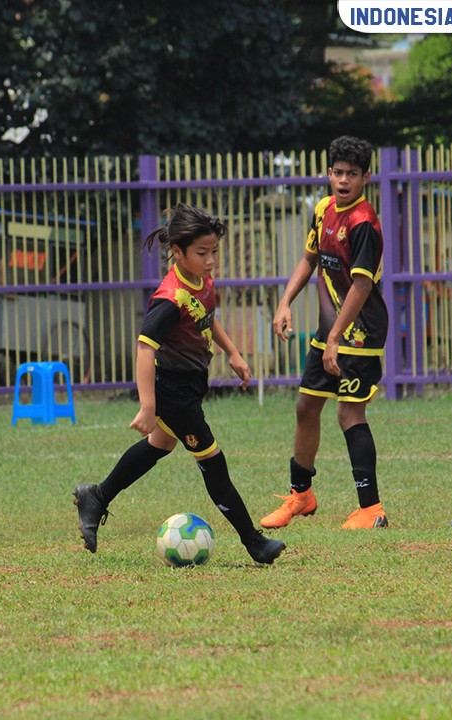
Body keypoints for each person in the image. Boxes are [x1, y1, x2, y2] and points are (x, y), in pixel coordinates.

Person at [72, 204, 286, 565]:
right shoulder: (170, 298)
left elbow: (208, 318)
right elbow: (144, 347)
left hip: (191, 385)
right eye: (202, 253)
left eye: (214, 251)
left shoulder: (202, 281)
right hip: (172, 393)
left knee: (159, 445)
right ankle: (254, 542)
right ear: (178, 251)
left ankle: (96, 496)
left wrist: (233, 353)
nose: (211, 260)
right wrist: (148, 406)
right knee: (213, 462)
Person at [260, 136, 390, 531]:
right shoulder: (322, 209)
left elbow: (362, 286)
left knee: (349, 412)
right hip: (329, 331)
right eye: (338, 172)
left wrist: (336, 338)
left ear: (366, 177)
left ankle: (372, 509)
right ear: (328, 173)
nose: (344, 180)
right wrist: (285, 302)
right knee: (306, 407)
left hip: (360, 333)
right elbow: (309, 259)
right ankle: (301, 495)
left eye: (353, 174)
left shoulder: (364, 223)